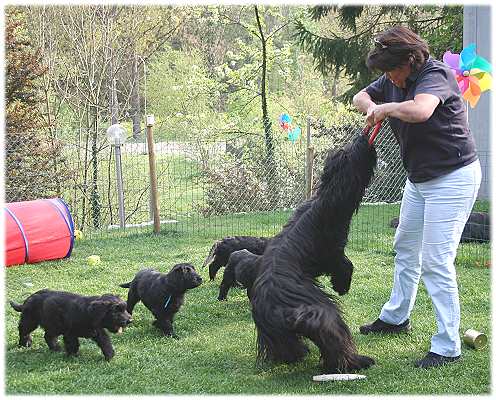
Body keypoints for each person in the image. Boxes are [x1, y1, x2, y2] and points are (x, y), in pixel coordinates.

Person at [352, 25, 482, 369]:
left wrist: (386, 110)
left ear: (410, 61)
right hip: (419, 179)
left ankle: (447, 345)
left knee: (436, 260)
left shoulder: (434, 75)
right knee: (405, 248)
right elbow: (360, 97)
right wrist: (371, 106)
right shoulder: (393, 80)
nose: (389, 79)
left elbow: (422, 110)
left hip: (453, 177)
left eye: (392, 70)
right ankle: (396, 317)